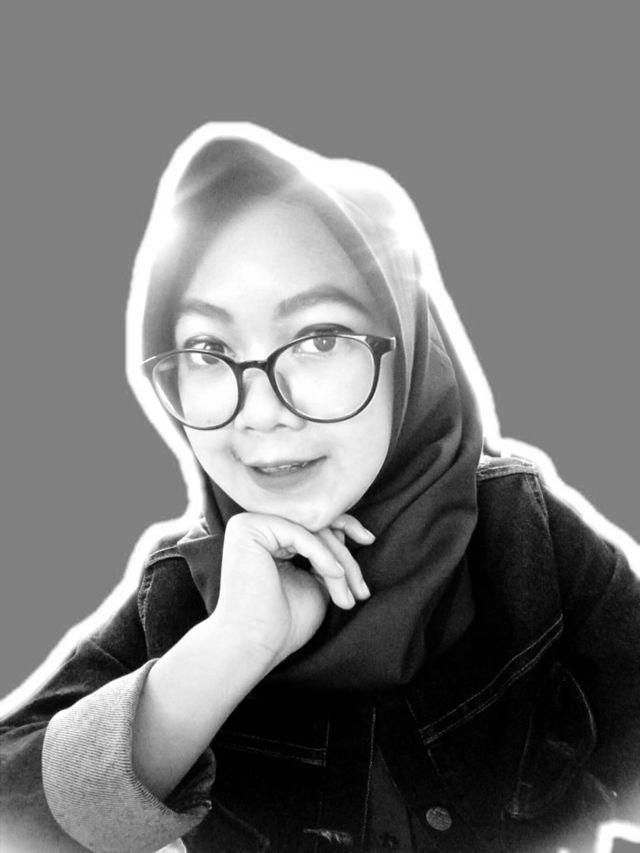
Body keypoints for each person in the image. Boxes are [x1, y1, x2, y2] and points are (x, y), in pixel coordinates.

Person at [1, 123, 639, 853]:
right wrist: (230, 649)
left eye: (320, 339)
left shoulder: (528, 537)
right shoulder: (179, 597)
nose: (259, 410)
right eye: (207, 349)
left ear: (409, 352)